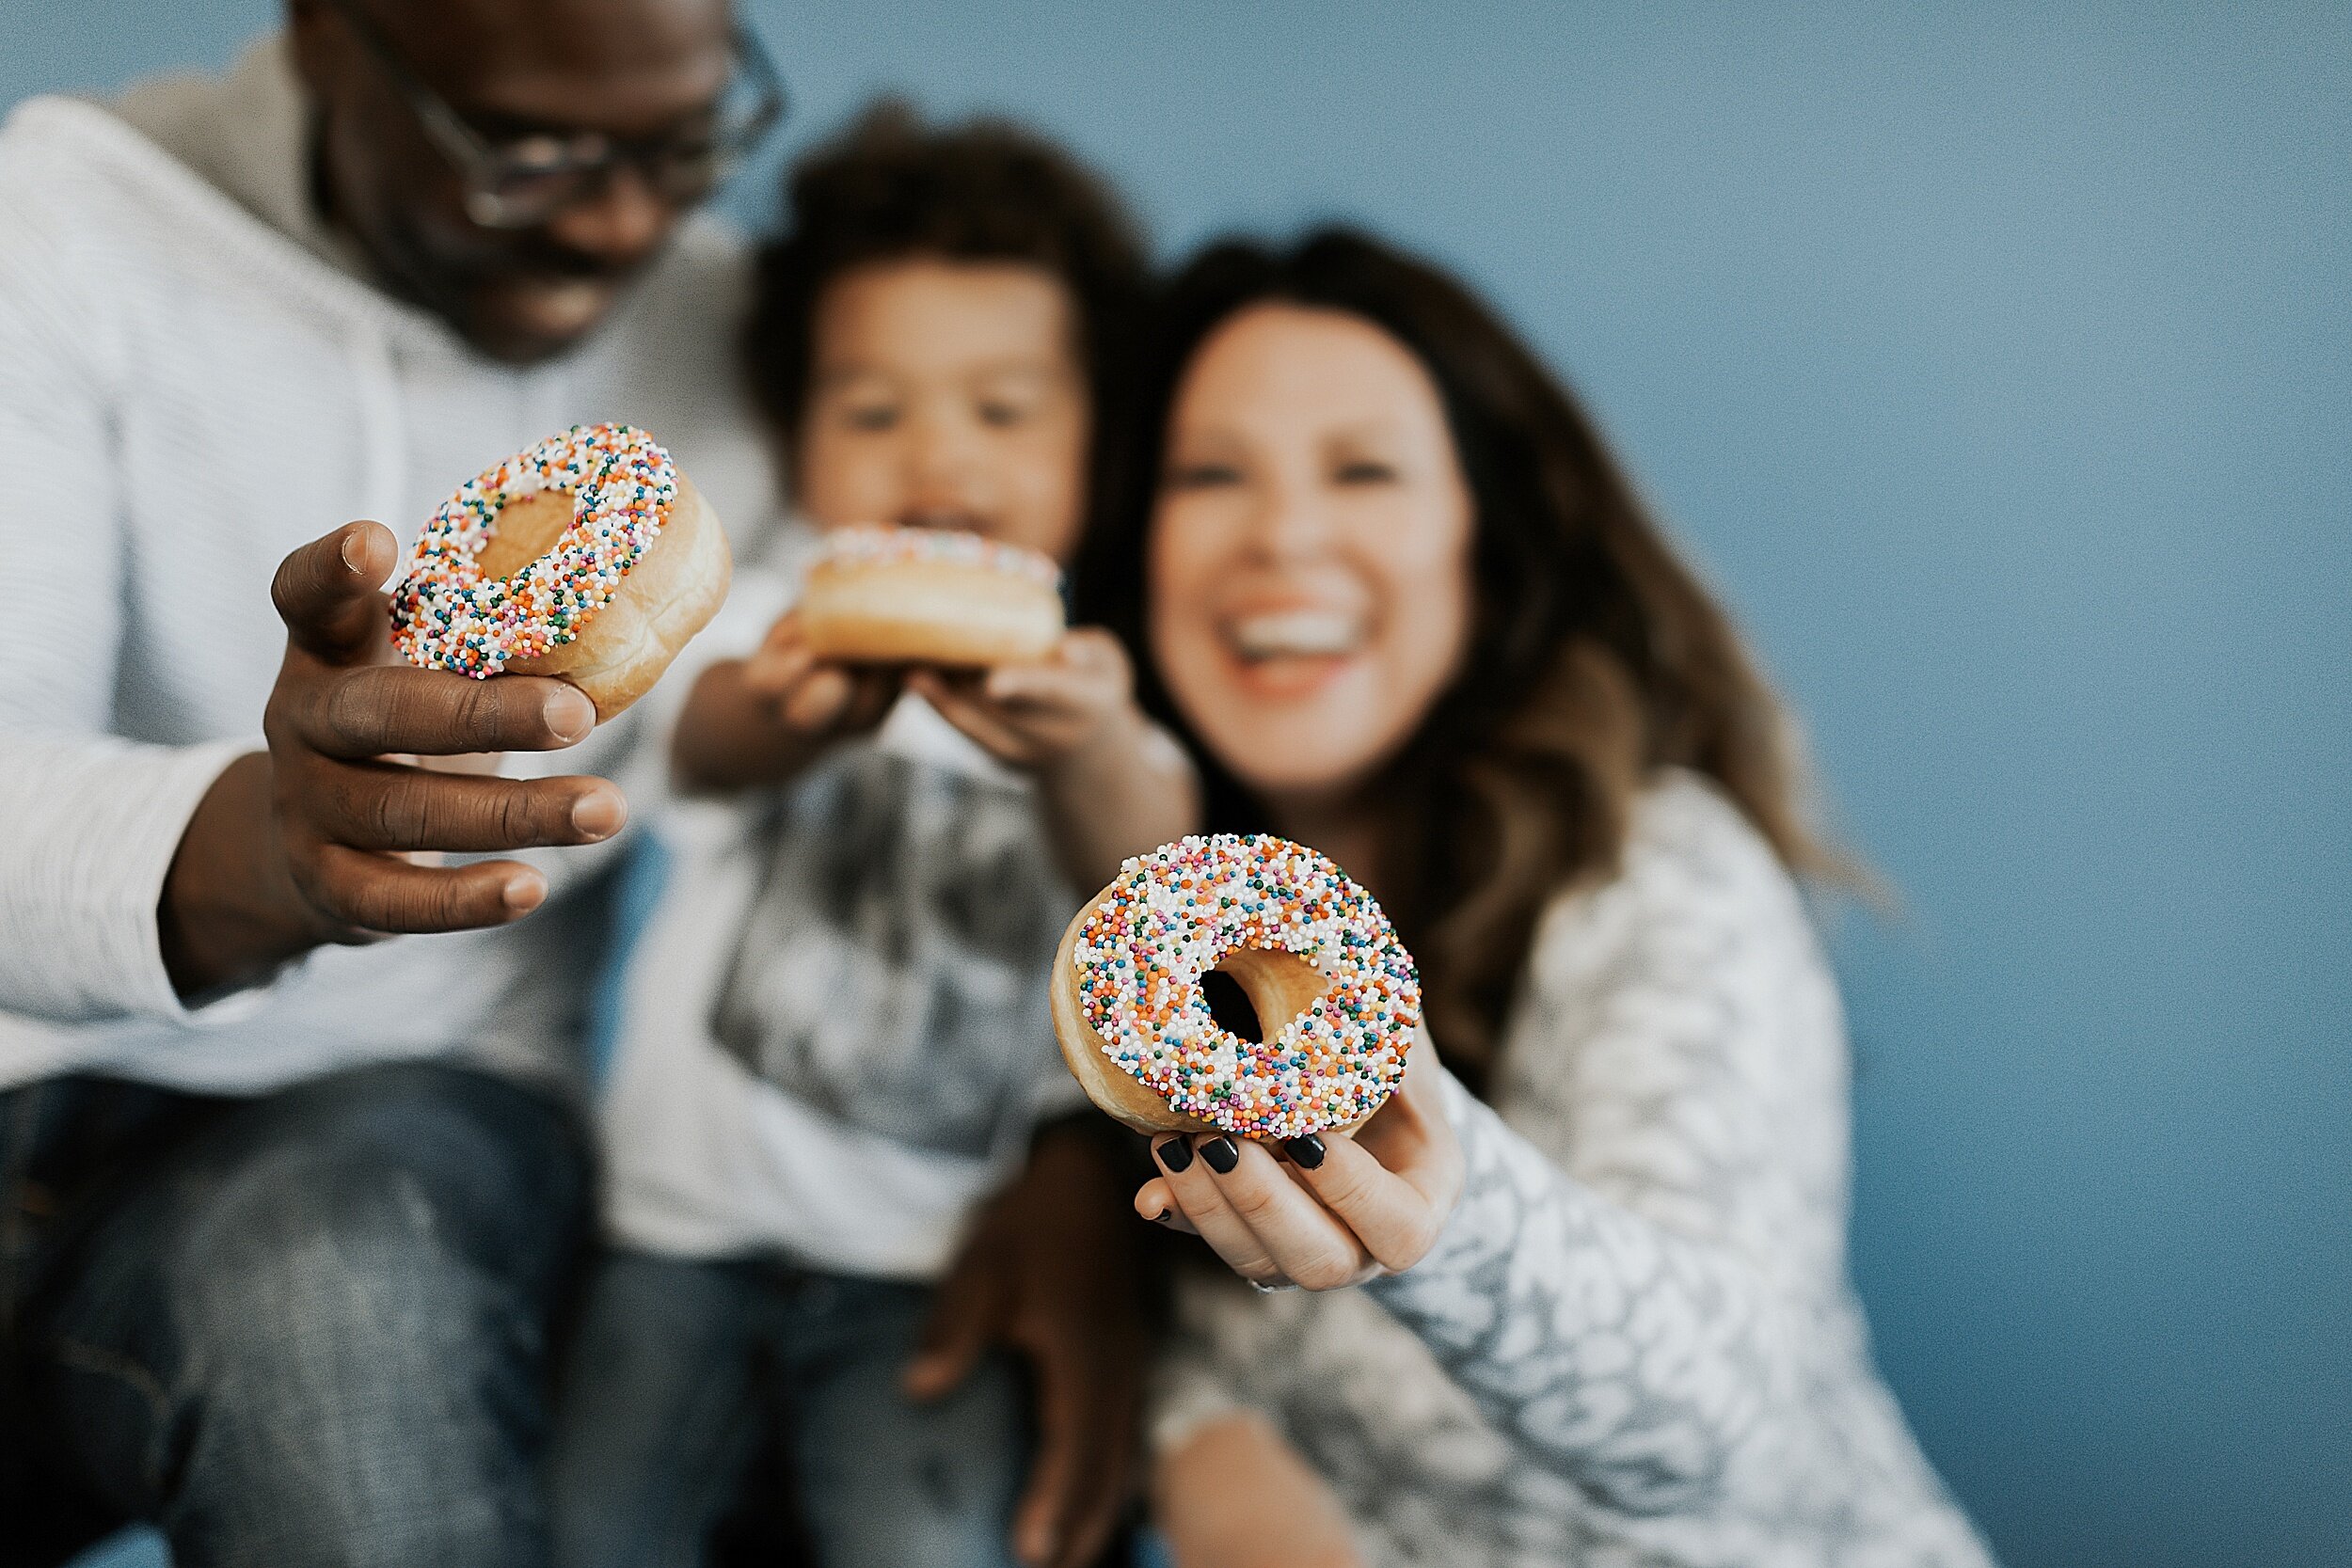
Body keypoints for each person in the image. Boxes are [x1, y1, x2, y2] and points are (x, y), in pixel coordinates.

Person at [1074, 230, 1999, 1566]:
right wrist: (1200, 1438)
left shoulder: (1650, 873)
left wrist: (1454, 1208)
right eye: (1211, 474)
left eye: (1365, 469)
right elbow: (1208, 1335)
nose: (1282, 533)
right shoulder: (1146, 961)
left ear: (1486, 544)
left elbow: (1721, 1417)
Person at [0, 0, 788, 1560]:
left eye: (685, 143)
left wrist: (1041, 1146)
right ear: (325, 40)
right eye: (527, 153)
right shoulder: (66, 228)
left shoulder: (738, 327)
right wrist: (258, 852)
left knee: (337, 1291)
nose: (625, 222)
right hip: (29, 1090)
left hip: (410, 1127)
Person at [545, 108, 1196, 1568]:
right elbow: (701, 743)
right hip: (675, 1236)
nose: (937, 456)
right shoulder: (775, 613)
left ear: (1099, 434)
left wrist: (1083, 747)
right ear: (795, 432)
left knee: (937, 1540)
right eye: (872, 407)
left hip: (930, 1269)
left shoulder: (1089, 679)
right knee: (586, 1530)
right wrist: (803, 716)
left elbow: (1149, 866)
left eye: (1005, 408)